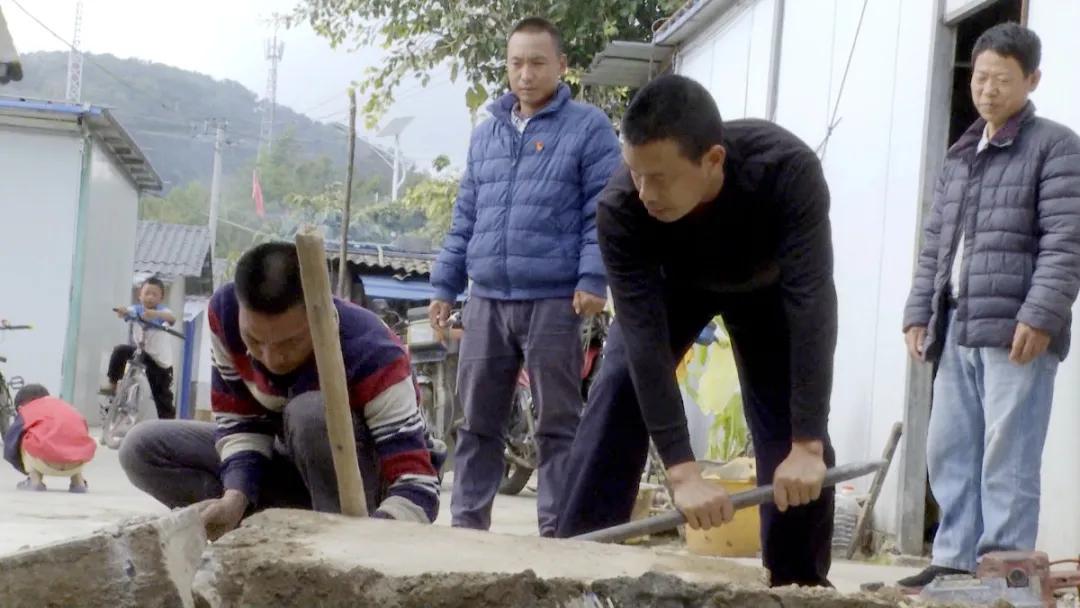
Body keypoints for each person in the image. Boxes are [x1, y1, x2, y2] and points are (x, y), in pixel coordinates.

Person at [555, 74, 838, 588]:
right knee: (619, 387)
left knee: (791, 432)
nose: (645, 192)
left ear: (712, 161)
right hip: (672, 287)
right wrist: (682, 471)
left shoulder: (786, 171)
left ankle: (798, 587)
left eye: (659, 178)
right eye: (635, 173)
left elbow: (813, 302)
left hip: (767, 290)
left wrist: (809, 445)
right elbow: (641, 337)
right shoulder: (621, 207)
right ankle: (576, 567)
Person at [899, 23, 1080, 589]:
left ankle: (1003, 571)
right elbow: (936, 240)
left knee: (1008, 457)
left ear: (1032, 80)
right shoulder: (961, 153)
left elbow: (1066, 238)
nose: (988, 89)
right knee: (950, 447)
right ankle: (954, 562)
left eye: (1002, 79)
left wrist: (1041, 313)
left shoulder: (1056, 146)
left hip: (1018, 331)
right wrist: (918, 310)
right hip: (957, 324)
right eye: (980, 76)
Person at [428, 17, 622, 536]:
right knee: (475, 424)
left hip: (555, 299)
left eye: (538, 62)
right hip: (486, 298)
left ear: (561, 66)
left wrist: (592, 279)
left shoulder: (588, 128)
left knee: (559, 423)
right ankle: (468, 528)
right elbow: (466, 214)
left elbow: (600, 212)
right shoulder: (487, 130)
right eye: (516, 63)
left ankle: (558, 534)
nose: (526, 74)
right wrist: (445, 286)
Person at [119, 242, 441, 540]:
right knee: (142, 448)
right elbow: (241, 424)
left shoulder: (373, 352)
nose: (272, 359)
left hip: (366, 492)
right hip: (292, 467)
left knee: (311, 413)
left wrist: (372, 539)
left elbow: (417, 485)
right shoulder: (226, 317)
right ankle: (262, 531)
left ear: (322, 317)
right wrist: (235, 496)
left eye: (290, 343)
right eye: (255, 341)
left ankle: (333, 546)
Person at [103, 276, 177, 419]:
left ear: (161, 298)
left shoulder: (163, 311)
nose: (150, 297)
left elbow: (171, 318)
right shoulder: (136, 309)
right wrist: (122, 311)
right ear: (140, 295)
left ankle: (168, 426)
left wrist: (155, 314)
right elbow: (125, 312)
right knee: (120, 351)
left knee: (162, 399)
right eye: (147, 293)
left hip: (159, 363)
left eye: (154, 294)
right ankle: (112, 385)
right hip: (141, 355)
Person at [3, 384, 96, 493]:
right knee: (73, 438)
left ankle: (35, 481)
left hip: (45, 462)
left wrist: (23, 468)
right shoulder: (67, 407)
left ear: (20, 408)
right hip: (78, 461)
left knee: (23, 436)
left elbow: (9, 444)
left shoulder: (27, 410)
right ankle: (78, 482)